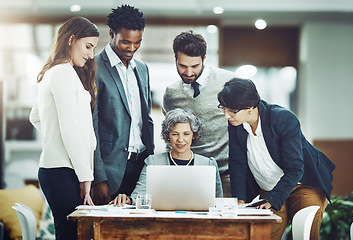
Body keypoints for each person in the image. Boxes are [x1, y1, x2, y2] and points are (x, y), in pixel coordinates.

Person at [217, 78, 336, 240]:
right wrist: (239, 200)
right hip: (269, 188)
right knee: (263, 235)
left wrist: (274, 198)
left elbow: (295, 168)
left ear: (250, 106)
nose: (226, 115)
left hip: (303, 184)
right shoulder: (236, 123)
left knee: (303, 234)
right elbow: (237, 163)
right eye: (223, 109)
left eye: (232, 110)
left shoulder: (283, 118)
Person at [29, 17, 98, 240]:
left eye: (93, 48)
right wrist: (85, 177)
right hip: (63, 171)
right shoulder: (62, 74)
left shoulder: (57, 72)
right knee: (71, 235)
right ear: (71, 39)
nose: (91, 55)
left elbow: (35, 117)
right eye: (88, 46)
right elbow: (70, 128)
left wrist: (53, 140)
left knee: (69, 234)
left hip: (59, 170)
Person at [92, 4, 154, 205]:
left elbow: (146, 119)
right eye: (126, 42)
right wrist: (98, 178)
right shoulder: (93, 68)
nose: (132, 48)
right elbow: (90, 128)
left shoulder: (142, 69)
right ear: (112, 33)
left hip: (140, 168)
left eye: (138, 42)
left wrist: (151, 161)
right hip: (109, 172)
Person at [163, 30, 237, 197]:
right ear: (175, 58)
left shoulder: (229, 83)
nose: (188, 73)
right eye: (182, 66)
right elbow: (171, 135)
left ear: (204, 59)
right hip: (188, 172)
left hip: (226, 173)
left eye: (194, 66)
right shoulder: (171, 93)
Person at [110, 108, 223, 206]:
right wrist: (128, 199)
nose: (180, 139)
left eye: (186, 134)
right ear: (168, 136)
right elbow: (139, 195)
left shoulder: (208, 164)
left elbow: (218, 202)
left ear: (193, 135)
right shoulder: (152, 162)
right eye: (175, 134)